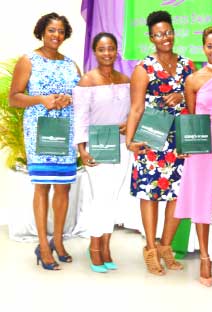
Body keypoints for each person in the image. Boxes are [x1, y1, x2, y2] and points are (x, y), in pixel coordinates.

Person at [124, 10, 195, 275]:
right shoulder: (144, 68)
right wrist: (131, 141)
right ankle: (151, 249)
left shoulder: (188, 66)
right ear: (151, 37)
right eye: (158, 34)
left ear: (174, 32)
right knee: (150, 194)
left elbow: (196, 102)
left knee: (177, 194)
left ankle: (166, 246)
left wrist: (182, 97)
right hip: (151, 140)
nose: (164, 38)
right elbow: (135, 108)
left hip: (179, 140)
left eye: (168, 32)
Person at [9, 12, 80, 271]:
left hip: (67, 130)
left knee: (63, 188)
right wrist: (43, 100)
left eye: (60, 31)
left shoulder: (71, 64)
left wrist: (68, 100)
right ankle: (43, 244)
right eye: (51, 30)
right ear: (42, 31)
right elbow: (14, 98)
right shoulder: (28, 60)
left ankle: (58, 241)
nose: (56, 35)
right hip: (39, 130)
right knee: (42, 187)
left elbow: (80, 96)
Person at [173, 26, 212, 286]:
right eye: (210, 46)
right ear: (203, 48)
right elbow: (191, 116)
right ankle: (205, 257)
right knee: (202, 200)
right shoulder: (193, 80)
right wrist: (187, 142)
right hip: (203, 145)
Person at [73, 32, 131, 273]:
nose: (107, 53)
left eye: (111, 48)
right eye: (101, 49)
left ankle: (106, 246)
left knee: (113, 199)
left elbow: (133, 112)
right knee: (100, 199)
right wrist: (82, 150)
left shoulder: (125, 79)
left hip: (121, 149)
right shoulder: (87, 81)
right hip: (96, 149)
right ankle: (94, 247)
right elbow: (80, 119)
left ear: (116, 51)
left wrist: (129, 124)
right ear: (95, 52)